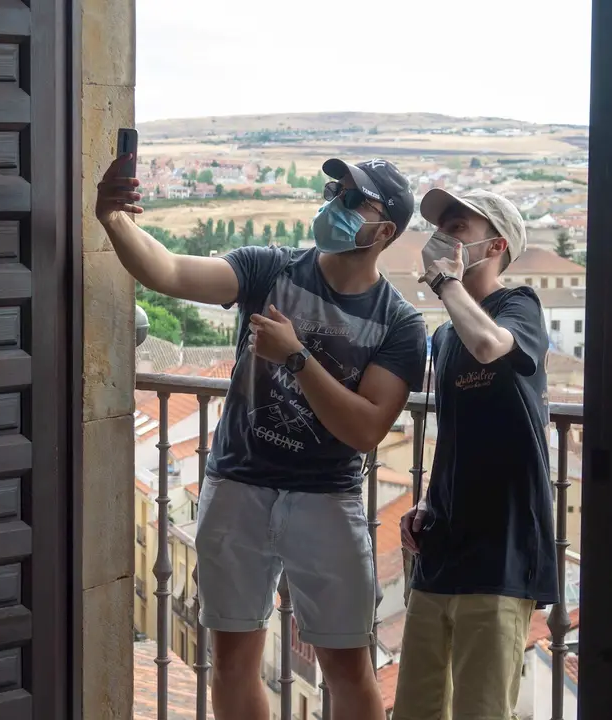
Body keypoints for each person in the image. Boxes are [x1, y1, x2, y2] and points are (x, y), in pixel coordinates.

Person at [97, 154, 427, 720]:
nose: (334, 204)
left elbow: (367, 428)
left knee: (348, 669)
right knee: (232, 659)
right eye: (333, 190)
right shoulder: (269, 269)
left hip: (327, 498)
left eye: (353, 200)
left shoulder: (399, 324)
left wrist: (297, 357)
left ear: (386, 231)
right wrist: (114, 218)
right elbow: (170, 272)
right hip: (237, 487)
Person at [393, 188, 558, 720]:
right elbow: (457, 432)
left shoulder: (519, 306)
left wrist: (443, 281)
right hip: (442, 548)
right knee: (416, 707)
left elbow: (492, 346)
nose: (443, 237)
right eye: (442, 227)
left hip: (503, 552)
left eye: (459, 228)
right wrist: (428, 502)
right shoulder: (443, 337)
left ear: (495, 246)